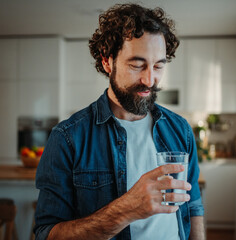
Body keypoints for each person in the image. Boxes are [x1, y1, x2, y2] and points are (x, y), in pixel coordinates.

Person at [34, 3, 205, 240]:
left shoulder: (180, 130)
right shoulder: (67, 138)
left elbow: (193, 206)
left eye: (158, 66)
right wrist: (124, 210)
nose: (149, 79)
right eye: (137, 65)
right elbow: (46, 234)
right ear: (107, 62)